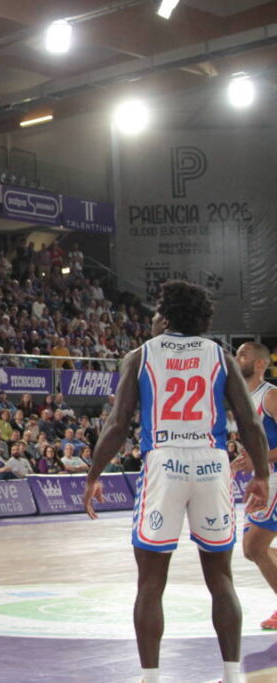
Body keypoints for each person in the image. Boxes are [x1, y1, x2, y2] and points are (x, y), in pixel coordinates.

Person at [83, 280, 269, 683]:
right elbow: (250, 422)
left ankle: (151, 678)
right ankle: (232, 674)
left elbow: (117, 426)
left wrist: (94, 475)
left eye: (155, 313)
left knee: (151, 581)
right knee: (221, 577)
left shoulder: (141, 355)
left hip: (164, 462)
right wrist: (261, 475)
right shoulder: (220, 356)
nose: (151, 319)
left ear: (165, 316)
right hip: (212, 462)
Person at [232, 342, 277, 629]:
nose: (237, 359)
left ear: (260, 364)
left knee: (255, 545)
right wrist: (245, 458)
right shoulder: (242, 400)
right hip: (263, 477)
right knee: (252, 550)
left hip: (274, 476)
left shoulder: (270, 396)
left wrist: (258, 459)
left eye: (244, 355)